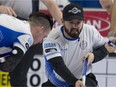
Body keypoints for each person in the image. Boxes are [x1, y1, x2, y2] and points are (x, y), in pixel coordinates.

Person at [42, 3, 116, 87]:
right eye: (71, 22)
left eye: (78, 22)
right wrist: (75, 82)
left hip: (83, 78)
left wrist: (94, 56)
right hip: (58, 82)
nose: (74, 26)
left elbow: (107, 48)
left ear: (83, 21)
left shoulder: (90, 31)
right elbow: (58, 65)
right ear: (62, 21)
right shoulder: (52, 38)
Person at [0, 11, 51, 77]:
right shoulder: (27, 35)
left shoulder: (19, 23)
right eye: (44, 37)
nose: (41, 42)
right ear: (40, 30)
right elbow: (9, 66)